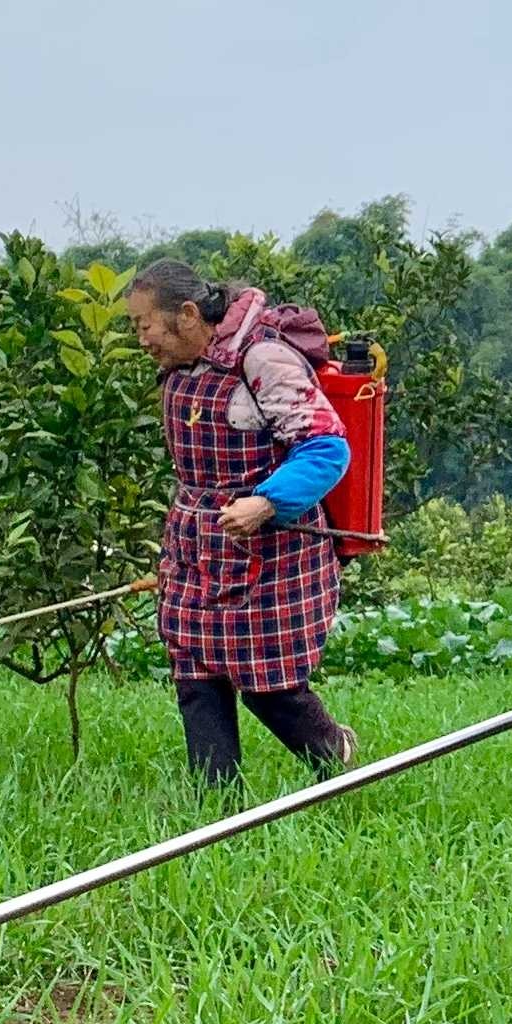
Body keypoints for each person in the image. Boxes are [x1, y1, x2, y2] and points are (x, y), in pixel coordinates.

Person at [130, 263, 359, 787]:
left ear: (187, 315)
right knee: (196, 675)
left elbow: (327, 450)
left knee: (267, 683)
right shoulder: (182, 367)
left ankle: (334, 755)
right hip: (196, 545)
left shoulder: (263, 359)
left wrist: (266, 503)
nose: (141, 339)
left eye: (146, 325)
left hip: (268, 549)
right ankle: (216, 806)